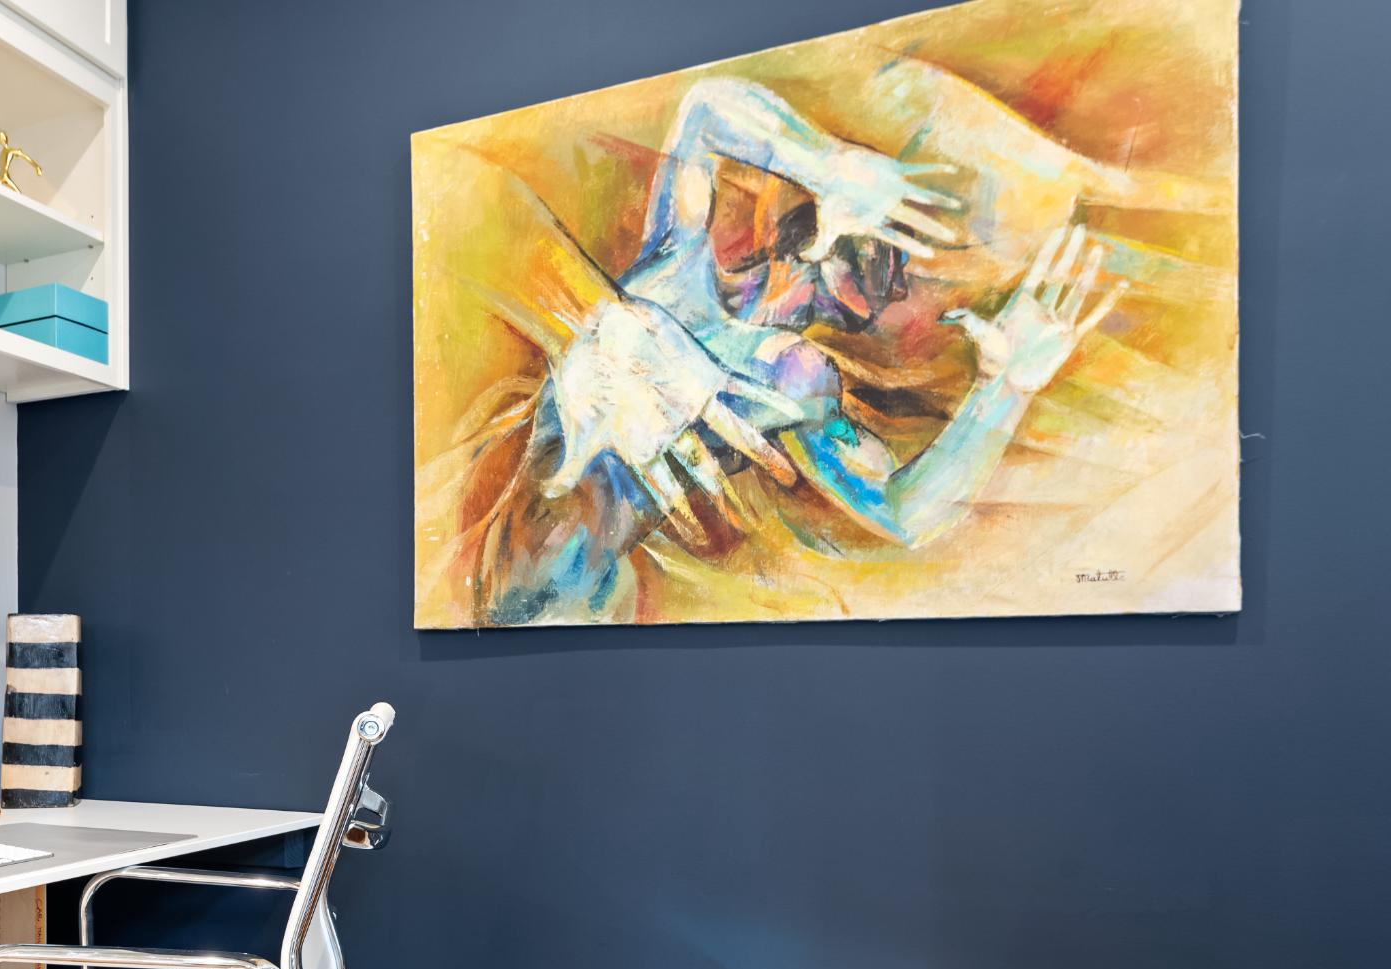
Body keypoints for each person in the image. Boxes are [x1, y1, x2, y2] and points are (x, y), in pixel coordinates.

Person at [432, 73, 1128, 626]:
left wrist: (1004, 389)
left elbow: (904, 509)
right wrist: (826, 161)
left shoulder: (797, 380)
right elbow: (705, 110)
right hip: (500, 570)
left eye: (906, 272)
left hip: (571, 603)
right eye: (898, 238)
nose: (898, 272)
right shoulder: (684, 259)